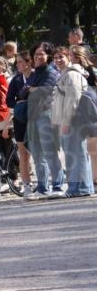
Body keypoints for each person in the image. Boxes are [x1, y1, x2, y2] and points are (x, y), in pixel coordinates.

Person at [23, 42, 64, 199]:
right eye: (36, 54)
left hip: (46, 115)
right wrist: (31, 90)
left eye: (41, 54)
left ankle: (58, 186)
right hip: (33, 116)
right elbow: (22, 93)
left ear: (48, 56)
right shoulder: (34, 74)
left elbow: (45, 92)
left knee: (50, 152)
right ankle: (42, 187)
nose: (38, 57)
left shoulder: (51, 72)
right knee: (38, 154)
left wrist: (32, 90)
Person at [52, 46, 93, 197]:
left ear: (70, 58)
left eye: (61, 57)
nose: (58, 60)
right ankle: (82, 188)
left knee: (76, 154)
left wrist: (66, 122)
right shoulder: (67, 74)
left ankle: (79, 189)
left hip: (73, 121)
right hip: (72, 121)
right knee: (76, 153)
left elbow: (72, 100)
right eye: (55, 58)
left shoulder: (71, 75)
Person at [5, 51, 34, 195]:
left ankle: (45, 183)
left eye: (20, 62)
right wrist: (21, 99)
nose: (17, 64)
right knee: (23, 153)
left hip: (36, 117)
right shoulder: (16, 80)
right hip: (20, 118)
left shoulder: (37, 77)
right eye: (17, 62)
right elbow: (9, 101)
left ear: (29, 62)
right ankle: (27, 185)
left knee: (41, 152)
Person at [69, 46, 97, 189]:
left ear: (78, 57)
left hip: (92, 110)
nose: (70, 59)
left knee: (93, 149)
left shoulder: (91, 71)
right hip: (81, 112)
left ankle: (94, 180)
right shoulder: (73, 72)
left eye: (72, 56)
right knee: (89, 149)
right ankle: (92, 180)